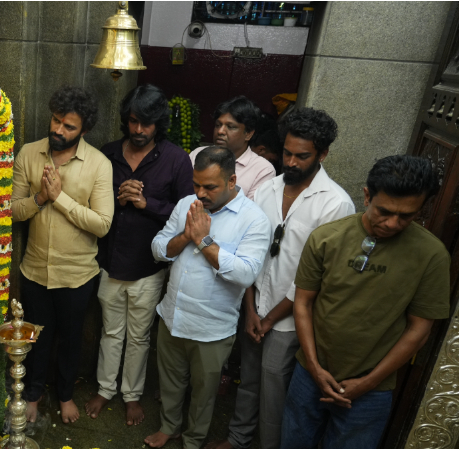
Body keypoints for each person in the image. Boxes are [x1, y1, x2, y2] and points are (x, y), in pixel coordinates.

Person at [208, 108, 355, 449]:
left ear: (323, 154)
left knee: (275, 391)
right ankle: (238, 439)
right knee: (248, 380)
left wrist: (271, 318)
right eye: (287, 152)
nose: (290, 161)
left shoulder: (335, 205)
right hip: (255, 305)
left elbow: (316, 278)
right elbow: (252, 252)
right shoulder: (267, 189)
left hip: (289, 319)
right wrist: (251, 311)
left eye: (301, 156)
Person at [281, 155, 450, 448]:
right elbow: (303, 303)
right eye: (384, 211)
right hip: (309, 375)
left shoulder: (432, 256)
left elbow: (419, 329)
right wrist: (314, 366)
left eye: (407, 216)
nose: (393, 223)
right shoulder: (327, 238)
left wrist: (368, 383)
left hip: (372, 391)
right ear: (367, 195)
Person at [145, 147, 271, 449]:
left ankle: (193, 440)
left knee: (204, 394)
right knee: (171, 383)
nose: (200, 194)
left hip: (211, 329)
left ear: (232, 180)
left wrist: (203, 240)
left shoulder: (254, 220)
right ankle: (169, 427)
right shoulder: (187, 204)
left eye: (209, 187)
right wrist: (186, 236)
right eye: (196, 184)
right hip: (172, 314)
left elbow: (245, 274)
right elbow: (158, 248)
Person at [85, 85, 194, 426]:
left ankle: (132, 395)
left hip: (149, 268)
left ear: (158, 124)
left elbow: (187, 213)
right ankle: (105, 389)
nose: (139, 130)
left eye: (146, 123)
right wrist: (115, 201)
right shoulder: (107, 154)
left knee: (139, 336)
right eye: (133, 121)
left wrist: (148, 204)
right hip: (109, 263)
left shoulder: (176, 159)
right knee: (110, 332)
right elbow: (91, 206)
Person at [12, 86, 114, 424]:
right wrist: (40, 198)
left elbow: (102, 225)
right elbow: (11, 211)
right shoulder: (28, 153)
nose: (58, 130)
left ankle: (66, 395)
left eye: (68, 126)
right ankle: (33, 395)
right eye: (56, 121)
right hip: (35, 270)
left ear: (84, 130)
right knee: (36, 338)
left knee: (71, 340)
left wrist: (60, 199)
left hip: (77, 274)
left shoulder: (98, 164)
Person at [189, 96, 275, 200]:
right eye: (218, 125)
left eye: (230, 127)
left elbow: (250, 211)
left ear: (248, 134)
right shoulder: (197, 154)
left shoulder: (262, 170)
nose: (220, 131)